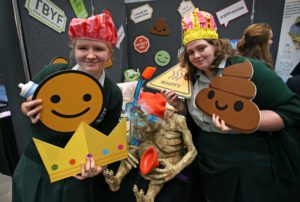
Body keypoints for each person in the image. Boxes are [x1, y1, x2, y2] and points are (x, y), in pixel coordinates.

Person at [162, 9, 300, 202]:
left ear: (216, 45)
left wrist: (245, 120)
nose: (196, 56)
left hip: (250, 163)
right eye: (190, 52)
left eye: (202, 48)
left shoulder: (249, 69)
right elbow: (196, 119)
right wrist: (178, 107)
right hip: (209, 163)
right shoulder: (190, 78)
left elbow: (292, 111)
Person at [12, 11, 123, 202]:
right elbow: (28, 102)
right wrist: (26, 109)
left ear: (109, 52)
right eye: (83, 48)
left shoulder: (112, 93)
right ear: (73, 50)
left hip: (78, 173)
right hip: (37, 167)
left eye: (98, 49)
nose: (90, 55)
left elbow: (107, 141)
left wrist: (100, 167)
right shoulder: (53, 73)